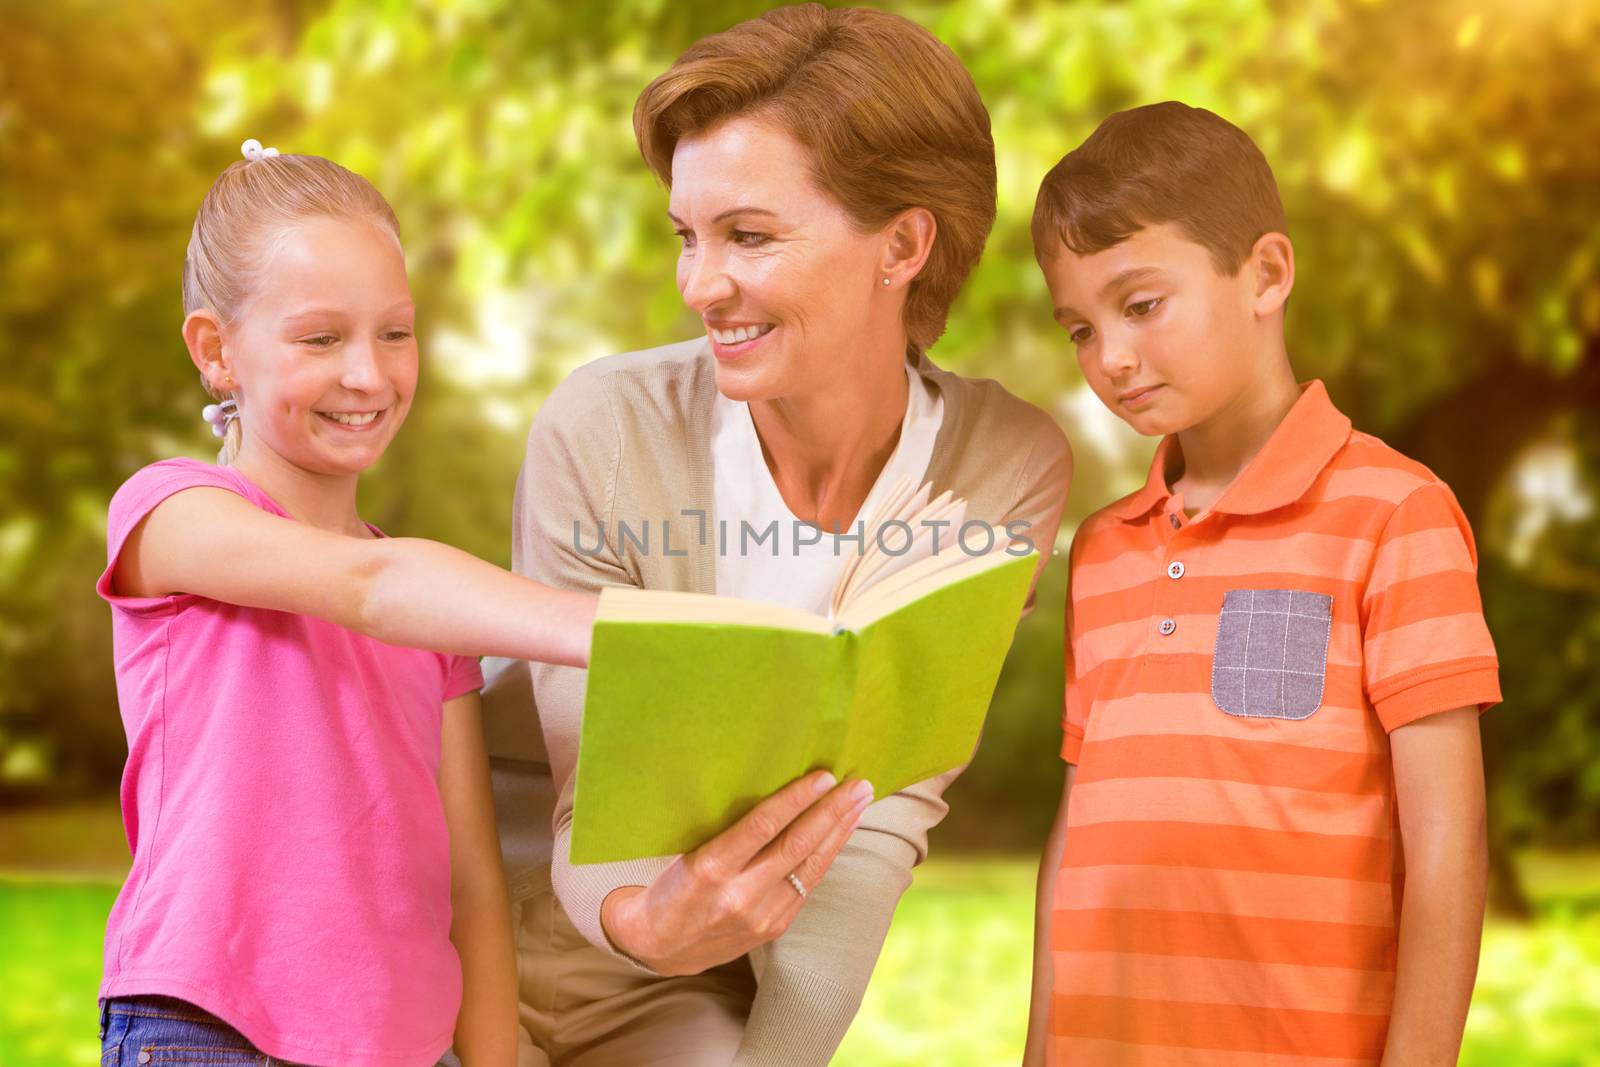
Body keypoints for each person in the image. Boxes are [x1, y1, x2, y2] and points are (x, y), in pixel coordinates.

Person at [478, 5, 1073, 1065]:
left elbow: (879, 814)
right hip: (458, 926)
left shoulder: (1001, 467)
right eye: (686, 235)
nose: (701, 285)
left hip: (678, 997)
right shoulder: (606, 429)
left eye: (748, 235)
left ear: (902, 242)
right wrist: (643, 924)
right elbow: (590, 794)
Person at [1023, 101, 1501, 1066]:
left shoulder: (1395, 513)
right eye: (1079, 327)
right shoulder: (1105, 549)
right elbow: (1080, 832)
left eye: (1141, 304)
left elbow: (1446, 849)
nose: (1109, 358)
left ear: (1266, 274)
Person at [97, 141, 593, 1067]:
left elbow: (473, 887)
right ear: (217, 352)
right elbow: (369, 588)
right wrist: (614, 631)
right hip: (209, 1028)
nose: (368, 374)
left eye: (394, 333)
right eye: (321, 338)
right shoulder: (170, 515)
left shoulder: (429, 618)